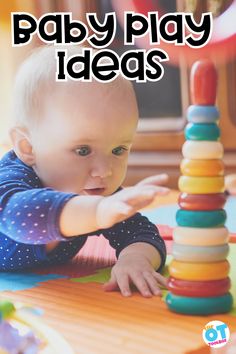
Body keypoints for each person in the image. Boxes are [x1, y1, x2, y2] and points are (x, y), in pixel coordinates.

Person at [0, 45, 169, 297]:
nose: (104, 171)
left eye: (118, 149)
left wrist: (135, 258)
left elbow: (142, 232)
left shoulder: (96, 194)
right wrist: (98, 213)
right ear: (28, 147)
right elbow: (18, 217)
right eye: (82, 150)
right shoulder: (11, 183)